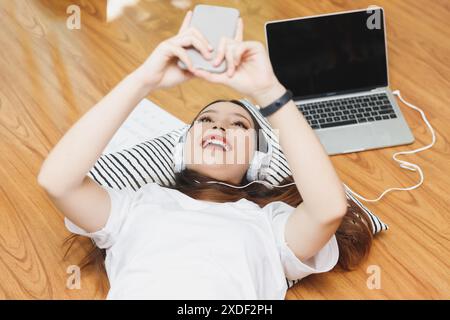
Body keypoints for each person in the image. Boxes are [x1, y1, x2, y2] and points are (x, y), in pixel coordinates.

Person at [38, 11, 372, 299]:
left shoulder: (269, 227)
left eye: (239, 125)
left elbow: (327, 209)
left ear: (258, 161)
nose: (219, 128)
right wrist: (144, 79)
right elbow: (57, 182)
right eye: (206, 120)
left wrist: (269, 92)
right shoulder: (136, 205)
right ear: (181, 149)